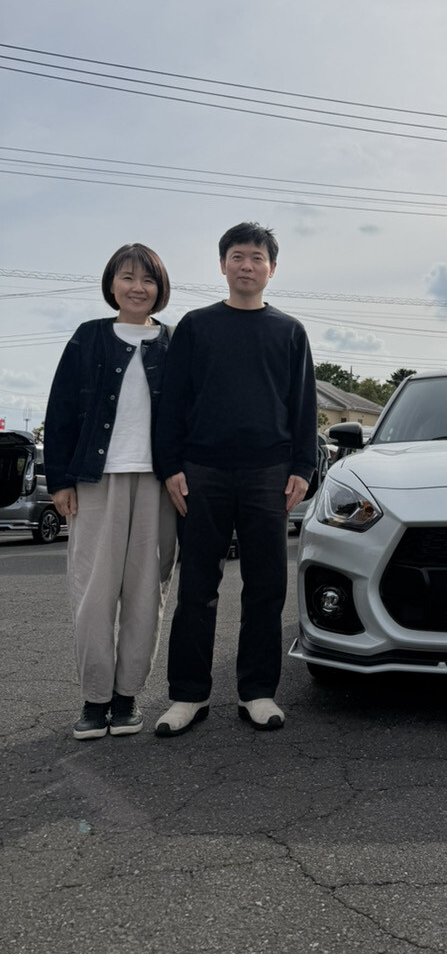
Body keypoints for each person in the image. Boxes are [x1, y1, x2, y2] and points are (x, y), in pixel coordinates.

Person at [154, 222, 318, 737]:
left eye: (257, 257)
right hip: (201, 470)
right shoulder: (195, 327)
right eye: (238, 256)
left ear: (272, 268)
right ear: (222, 264)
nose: (247, 265)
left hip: (269, 473)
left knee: (265, 585)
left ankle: (257, 691)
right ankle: (188, 694)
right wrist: (170, 466)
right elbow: (172, 402)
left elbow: (304, 406)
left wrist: (303, 468)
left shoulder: (289, 331)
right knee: (197, 586)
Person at [44, 244, 176, 740]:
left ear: (160, 288)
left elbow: (189, 413)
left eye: (148, 279)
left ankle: (126, 698)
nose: (137, 287)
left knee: (146, 595)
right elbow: (59, 410)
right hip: (95, 480)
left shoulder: (174, 342)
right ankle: (95, 699)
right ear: (112, 284)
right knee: (94, 594)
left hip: (158, 483)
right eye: (127, 277)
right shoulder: (89, 337)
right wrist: (59, 480)